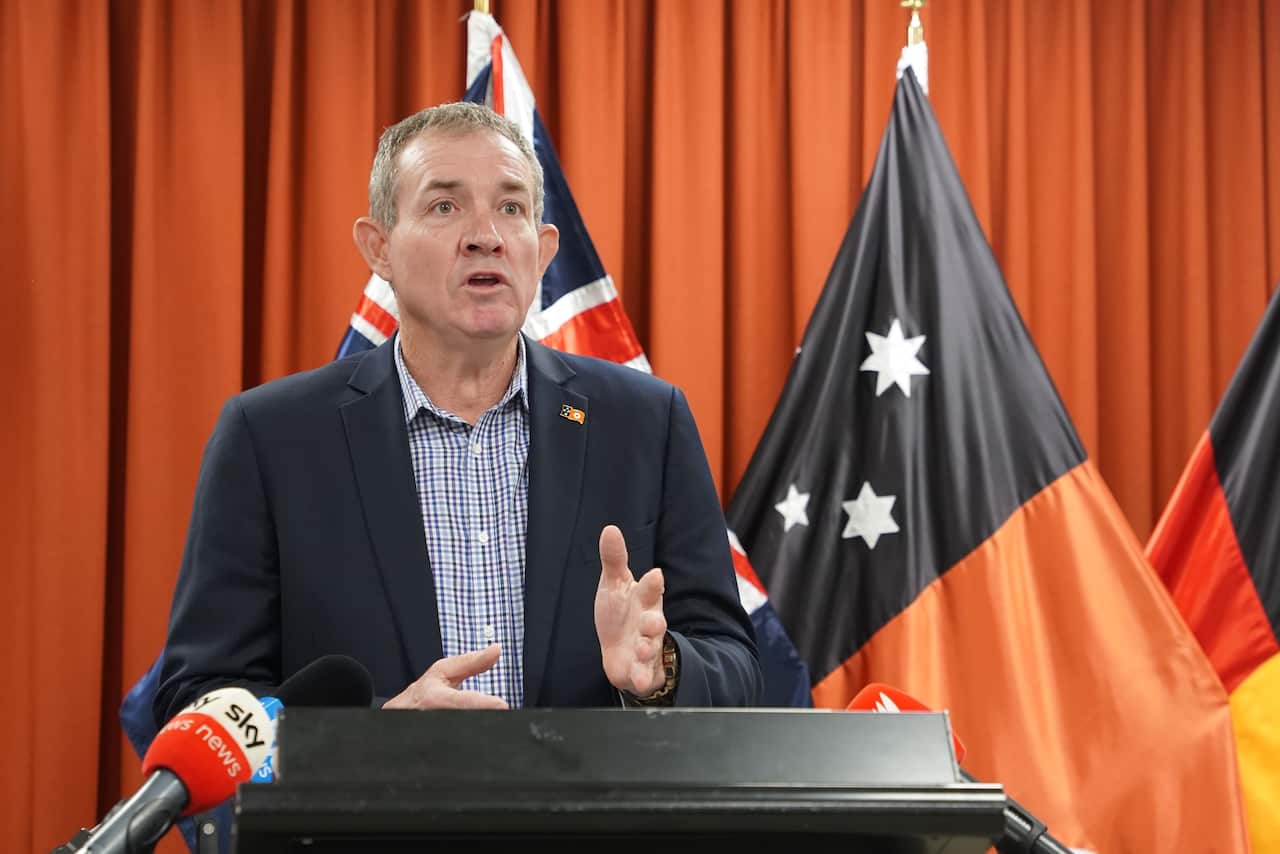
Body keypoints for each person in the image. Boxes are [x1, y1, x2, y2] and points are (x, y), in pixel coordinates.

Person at [154, 101, 762, 721]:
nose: (486, 235)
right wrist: (373, 736)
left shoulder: (644, 423)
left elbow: (737, 663)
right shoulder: (270, 439)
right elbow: (198, 698)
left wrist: (661, 672)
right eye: (445, 206)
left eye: (511, 208)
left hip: (592, 817)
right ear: (379, 248)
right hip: (374, 817)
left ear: (544, 250)